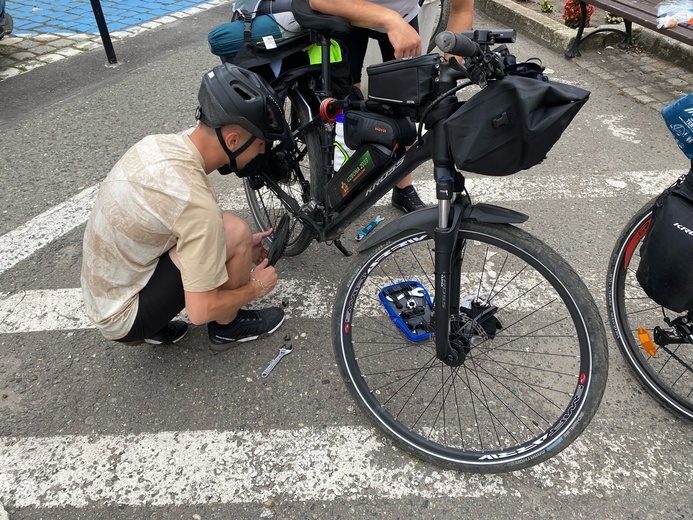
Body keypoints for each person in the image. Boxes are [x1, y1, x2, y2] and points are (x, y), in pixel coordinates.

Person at [81, 63, 293, 353]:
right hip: (123, 316)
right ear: (233, 140)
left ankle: (156, 324)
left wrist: (225, 248)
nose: (262, 152)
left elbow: (175, 216)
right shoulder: (195, 204)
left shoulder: (161, 145)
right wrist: (256, 287)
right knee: (233, 229)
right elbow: (200, 311)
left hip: (107, 293)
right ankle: (227, 328)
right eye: (260, 144)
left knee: (221, 230)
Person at [309, 0, 474, 213]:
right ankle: (345, 177)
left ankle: (403, 186)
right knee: (347, 98)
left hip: (402, 14)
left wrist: (447, 72)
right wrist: (389, 19)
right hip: (344, 9)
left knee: (408, 98)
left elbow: (462, 9)